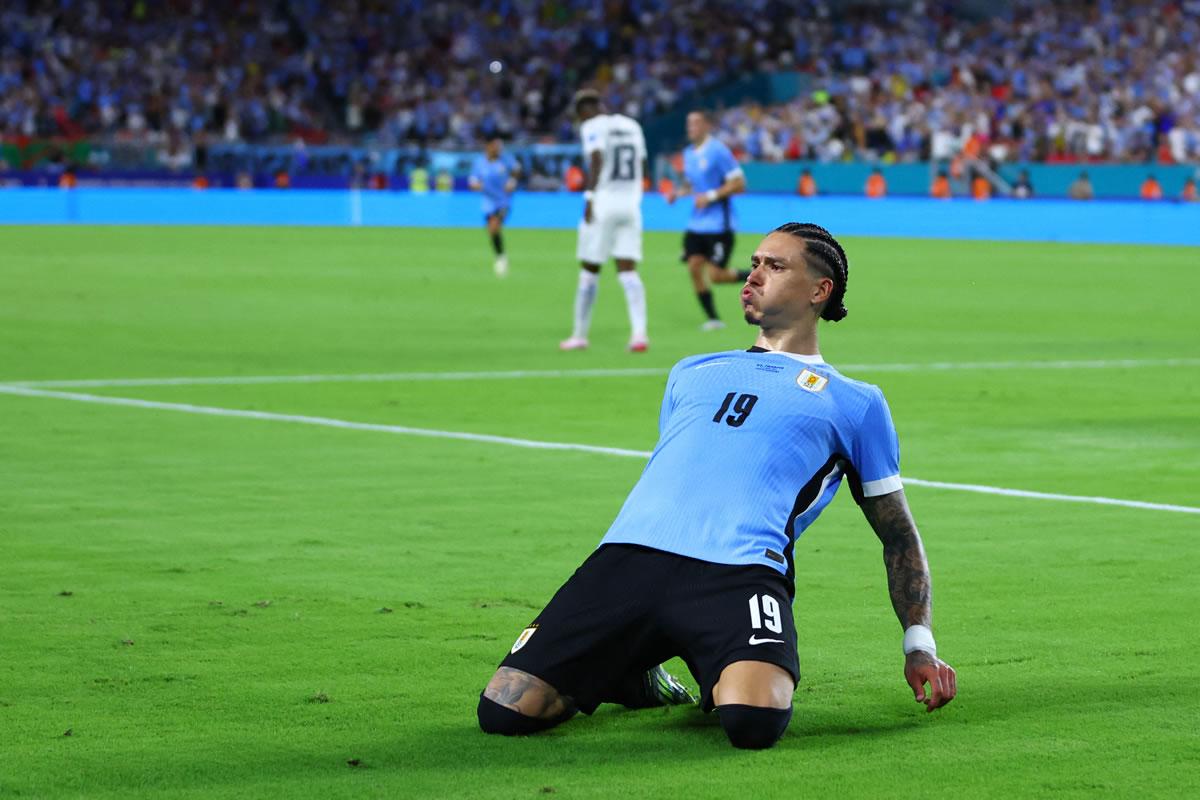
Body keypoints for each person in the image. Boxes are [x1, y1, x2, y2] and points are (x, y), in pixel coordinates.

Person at [478, 222, 958, 749]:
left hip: (739, 574)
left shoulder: (855, 401)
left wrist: (920, 643)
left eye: (775, 266)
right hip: (627, 559)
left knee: (753, 723)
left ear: (820, 291)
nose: (752, 275)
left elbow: (898, 536)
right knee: (505, 710)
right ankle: (634, 672)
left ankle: (704, 661)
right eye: (754, 263)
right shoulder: (692, 370)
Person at [559, 89, 650, 353]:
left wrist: (589, 197)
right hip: (631, 206)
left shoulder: (592, 125)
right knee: (628, 272)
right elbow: (643, 167)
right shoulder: (632, 125)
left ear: (584, 109)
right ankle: (639, 334)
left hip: (604, 203)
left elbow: (596, 159)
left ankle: (579, 335)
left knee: (589, 271)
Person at [667, 110, 749, 331]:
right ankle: (713, 319)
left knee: (717, 276)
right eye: (689, 123)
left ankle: (754, 276)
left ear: (706, 126)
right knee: (694, 267)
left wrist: (711, 196)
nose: (690, 127)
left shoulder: (718, 151)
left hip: (718, 225)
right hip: (697, 224)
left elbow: (740, 183)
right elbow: (693, 184)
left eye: (695, 123)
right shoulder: (688, 153)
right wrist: (678, 193)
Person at [469, 137, 521, 278]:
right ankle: (501, 255)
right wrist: (477, 186)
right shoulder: (480, 162)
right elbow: (472, 181)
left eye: (499, 146)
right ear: (488, 146)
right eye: (495, 146)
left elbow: (517, 169)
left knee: (494, 226)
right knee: (492, 231)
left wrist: (512, 181)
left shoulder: (505, 159)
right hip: (488, 202)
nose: (498, 149)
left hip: (503, 201)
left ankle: (500, 259)